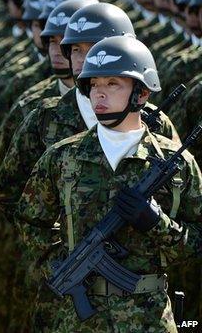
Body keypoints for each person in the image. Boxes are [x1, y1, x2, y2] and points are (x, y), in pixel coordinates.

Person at [18, 35, 202, 331]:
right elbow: (30, 220)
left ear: (141, 94)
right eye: (94, 85)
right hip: (77, 320)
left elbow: (197, 243)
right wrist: (63, 265)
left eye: (112, 84)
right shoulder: (62, 156)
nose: (99, 95)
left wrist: (158, 224)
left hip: (147, 317)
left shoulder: (176, 163)